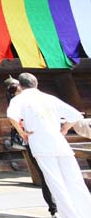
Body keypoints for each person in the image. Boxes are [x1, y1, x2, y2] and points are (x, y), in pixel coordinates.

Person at [6, 73, 91, 218]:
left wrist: (22, 133)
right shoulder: (49, 98)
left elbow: (11, 116)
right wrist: (64, 129)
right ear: (36, 83)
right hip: (59, 143)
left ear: (20, 86)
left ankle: (70, 215)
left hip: (40, 144)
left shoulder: (19, 99)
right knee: (75, 180)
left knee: (56, 183)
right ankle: (86, 213)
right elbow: (76, 115)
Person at [5, 77, 56, 216]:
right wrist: (22, 132)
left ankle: (56, 207)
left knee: (50, 174)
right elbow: (14, 119)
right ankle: (53, 208)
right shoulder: (16, 102)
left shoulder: (36, 100)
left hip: (48, 140)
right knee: (45, 174)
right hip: (34, 141)